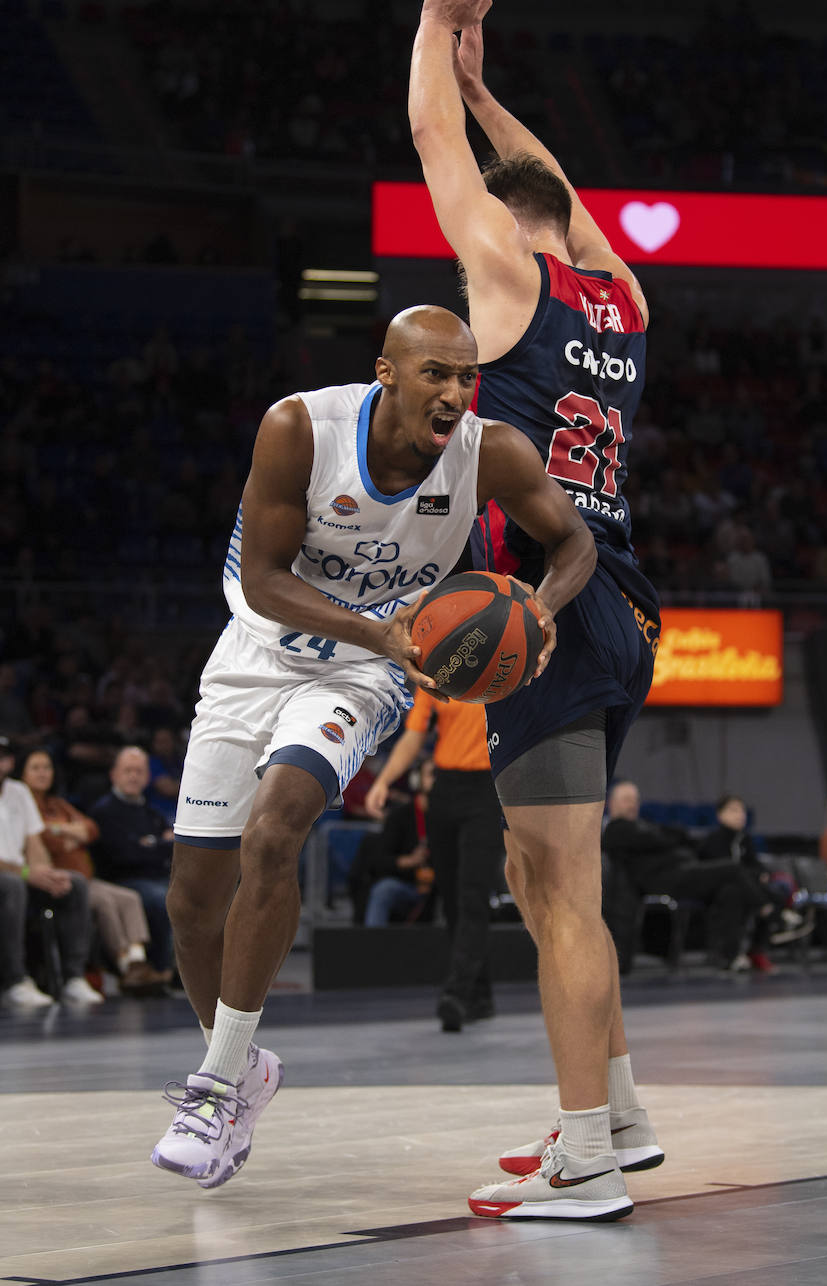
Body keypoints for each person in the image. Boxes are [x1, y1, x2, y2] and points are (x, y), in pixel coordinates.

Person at [151, 304, 595, 1191]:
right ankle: (244, 1072)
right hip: (255, 654)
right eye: (437, 373)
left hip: (364, 674)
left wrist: (542, 605)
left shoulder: (490, 450)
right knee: (191, 908)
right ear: (387, 372)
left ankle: (211, 1089)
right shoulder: (299, 429)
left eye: (468, 376)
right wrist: (379, 628)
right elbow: (267, 580)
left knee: (276, 835)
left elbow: (574, 540)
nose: (457, 393)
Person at [410, 0, 664, 1221]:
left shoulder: (506, 281)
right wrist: (490, 86)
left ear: (510, 238)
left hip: (550, 615)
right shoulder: (617, 294)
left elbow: (428, 146)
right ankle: (613, 1112)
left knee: (558, 889)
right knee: (539, 873)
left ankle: (585, 1161)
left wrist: (433, 36)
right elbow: (542, 183)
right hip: (619, 609)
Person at [365, 691, 501, 1031]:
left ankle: (456, 992)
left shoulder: (505, 660)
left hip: (489, 788)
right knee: (454, 899)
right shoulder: (440, 670)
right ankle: (480, 996)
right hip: (445, 789)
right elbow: (414, 735)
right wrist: (383, 781)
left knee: (473, 895)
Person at [21, 748, 167, 993]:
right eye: (35, 768)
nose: (43, 773)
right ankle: (125, 966)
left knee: (129, 899)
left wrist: (67, 830)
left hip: (86, 877)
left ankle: (138, 961)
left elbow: (90, 829)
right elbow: (49, 838)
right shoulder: (23, 805)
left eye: (47, 767)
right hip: (58, 877)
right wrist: (67, 832)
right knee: (106, 902)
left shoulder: (58, 804)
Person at [603, 780, 780, 972]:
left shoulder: (643, 826)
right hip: (667, 880)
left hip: (681, 872)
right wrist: (667, 838)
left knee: (731, 890)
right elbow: (664, 838)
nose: (632, 804)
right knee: (732, 868)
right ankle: (768, 909)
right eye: (626, 800)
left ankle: (730, 957)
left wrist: (666, 837)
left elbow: (675, 836)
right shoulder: (616, 829)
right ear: (611, 803)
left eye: (635, 800)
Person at [0, 733, 102, 1009]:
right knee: (13, 885)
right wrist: (27, 873)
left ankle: (73, 978)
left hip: (20, 874)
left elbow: (35, 843)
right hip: (11, 878)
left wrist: (46, 874)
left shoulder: (18, 792)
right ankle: (15, 981)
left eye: (4, 756)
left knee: (75, 883)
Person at [697, 793, 810, 972]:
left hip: (747, 889)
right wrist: (752, 875)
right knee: (733, 894)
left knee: (775, 891)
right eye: (733, 810)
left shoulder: (745, 839)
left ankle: (757, 950)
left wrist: (759, 874)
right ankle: (731, 954)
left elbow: (756, 866)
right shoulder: (712, 841)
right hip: (718, 891)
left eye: (741, 810)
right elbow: (720, 871)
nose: (739, 814)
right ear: (720, 815)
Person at [90, 747, 175, 978]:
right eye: (127, 770)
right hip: (123, 880)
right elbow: (123, 856)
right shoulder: (104, 811)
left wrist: (150, 845)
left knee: (198, 894)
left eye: (139, 771)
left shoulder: (151, 813)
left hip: (156, 876)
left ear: (147, 777)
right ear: (114, 775)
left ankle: (195, 971)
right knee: (161, 898)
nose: (133, 776)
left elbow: (171, 848)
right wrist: (158, 844)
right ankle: (161, 969)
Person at [359, 756, 437, 926]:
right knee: (384, 890)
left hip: (438, 886)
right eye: (433, 774)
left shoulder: (450, 816)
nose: (439, 780)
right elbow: (379, 860)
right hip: (405, 884)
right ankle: (373, 947)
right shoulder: (400, 816)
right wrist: (409, 861)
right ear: (417, 780)